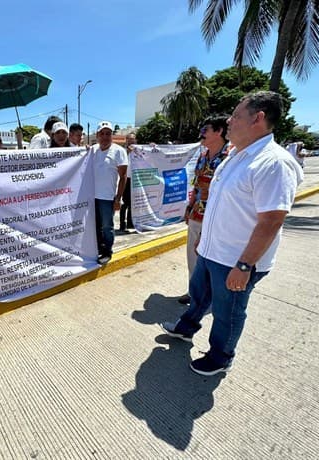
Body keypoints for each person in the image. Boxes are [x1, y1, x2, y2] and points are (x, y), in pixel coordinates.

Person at [159, 91, 304, 376]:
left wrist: (244, 265)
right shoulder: (234, 157)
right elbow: (217, 202)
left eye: (236, 115)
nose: (230, 120)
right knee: (199, 294)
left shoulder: (273, 162)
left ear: (258, 118)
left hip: (237, 260)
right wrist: (205, 237)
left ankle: (221, 356)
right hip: (213, 250)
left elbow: (271, 220)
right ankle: (186, 329)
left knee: (228, 312)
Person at [178, 115, 230, 305]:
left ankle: (210, 296)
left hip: (217, 219)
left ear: (219, 132)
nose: (201, 134)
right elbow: (197, 185)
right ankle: (193, 292)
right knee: (193, 256)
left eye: (205, 130)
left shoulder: (230, 158)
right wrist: (189, 207)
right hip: (196, 215)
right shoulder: (202, 156)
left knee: (212, 261)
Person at [91, 121, 128, 265]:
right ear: (97, 135)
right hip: (92, 196)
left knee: (107, 226)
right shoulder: (92, 150)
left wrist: (118, 199)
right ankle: (99, 248)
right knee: (96, 225)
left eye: (108, 134)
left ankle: (107, 251)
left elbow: (123, 176)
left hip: (108, 197)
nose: (105, 137)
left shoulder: (119, 151)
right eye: (102, 133)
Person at [118, 133, 137, 233]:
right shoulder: (122, 151)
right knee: (124, 203)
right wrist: (128, 152)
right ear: (126, 140)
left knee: (132, 203)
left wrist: (152, 146)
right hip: (125, 179)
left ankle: (130, 223)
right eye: (129, 139)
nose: (131, 141)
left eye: (133, 139)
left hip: (135, 179)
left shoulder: (139, 150)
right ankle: (122, 224)